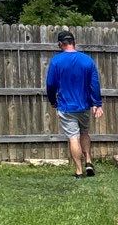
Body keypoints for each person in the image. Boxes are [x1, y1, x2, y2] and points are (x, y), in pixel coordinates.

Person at [44, 30, 104, 177]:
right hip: (83, 105)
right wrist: (97, 103)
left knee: (73, 137)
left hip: (66, 106)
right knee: (84, 132)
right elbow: (94, 84)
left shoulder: (56, 61)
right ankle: (88, 161)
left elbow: (50, 84)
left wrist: (53, 101)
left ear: (60, 44)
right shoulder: (87, 60)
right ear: (74, 42)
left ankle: (78, 170)